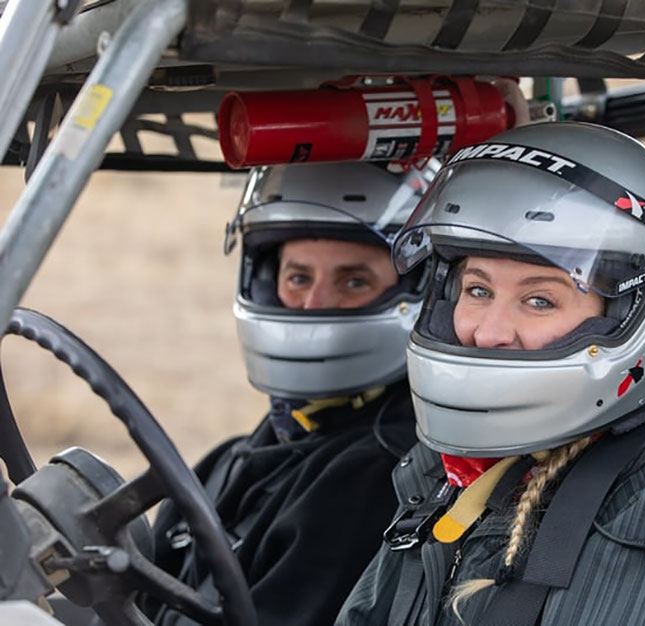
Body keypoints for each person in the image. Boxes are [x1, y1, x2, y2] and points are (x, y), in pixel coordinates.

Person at [336, 122, 645, 625]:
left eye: (539, 300)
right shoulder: (453, 466)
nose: (488, 333)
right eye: (478, 290)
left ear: (632, 314)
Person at [144, 160, 433, 625]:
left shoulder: (377, 474)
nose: (313, 304)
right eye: (298, 277)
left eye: (353, 281)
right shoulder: (239, 456)